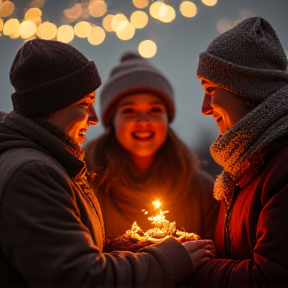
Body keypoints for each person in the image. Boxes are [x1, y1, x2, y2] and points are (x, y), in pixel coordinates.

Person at [0, 39, 216, 288]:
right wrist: (167, 259)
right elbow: (81, 276)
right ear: (52, 104)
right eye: (84, 104)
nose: (93, 118)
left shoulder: (200, 187)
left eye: (155, 110)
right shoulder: (38, 173)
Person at [188, 17, 288, 287]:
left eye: (211, 90)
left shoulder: (281, 169)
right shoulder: (242, 170)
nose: (205, 107)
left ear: (247, 90)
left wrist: (188, 268)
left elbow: (269, 278)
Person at [84, 51, 219, 243]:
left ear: (167, 118)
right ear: (112, 120)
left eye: (155, 110)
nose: (143, 121)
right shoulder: (89, 186)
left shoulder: (201, 190)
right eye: (129, 111)